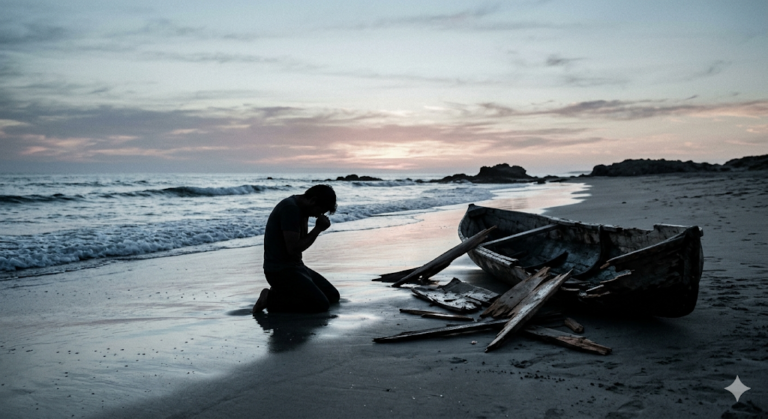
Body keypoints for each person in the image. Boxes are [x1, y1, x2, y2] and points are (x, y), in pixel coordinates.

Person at [253, 184, 340, 313]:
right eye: (320, 210)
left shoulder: (303, 209)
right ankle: (270, 299)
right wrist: (318, 229)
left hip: (296, 267)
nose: (319, 215)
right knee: (321, 305)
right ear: (313, 201)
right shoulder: (290, 209)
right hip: (279, 271)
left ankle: (282, 292)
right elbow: (293, 248)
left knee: (332, 296)